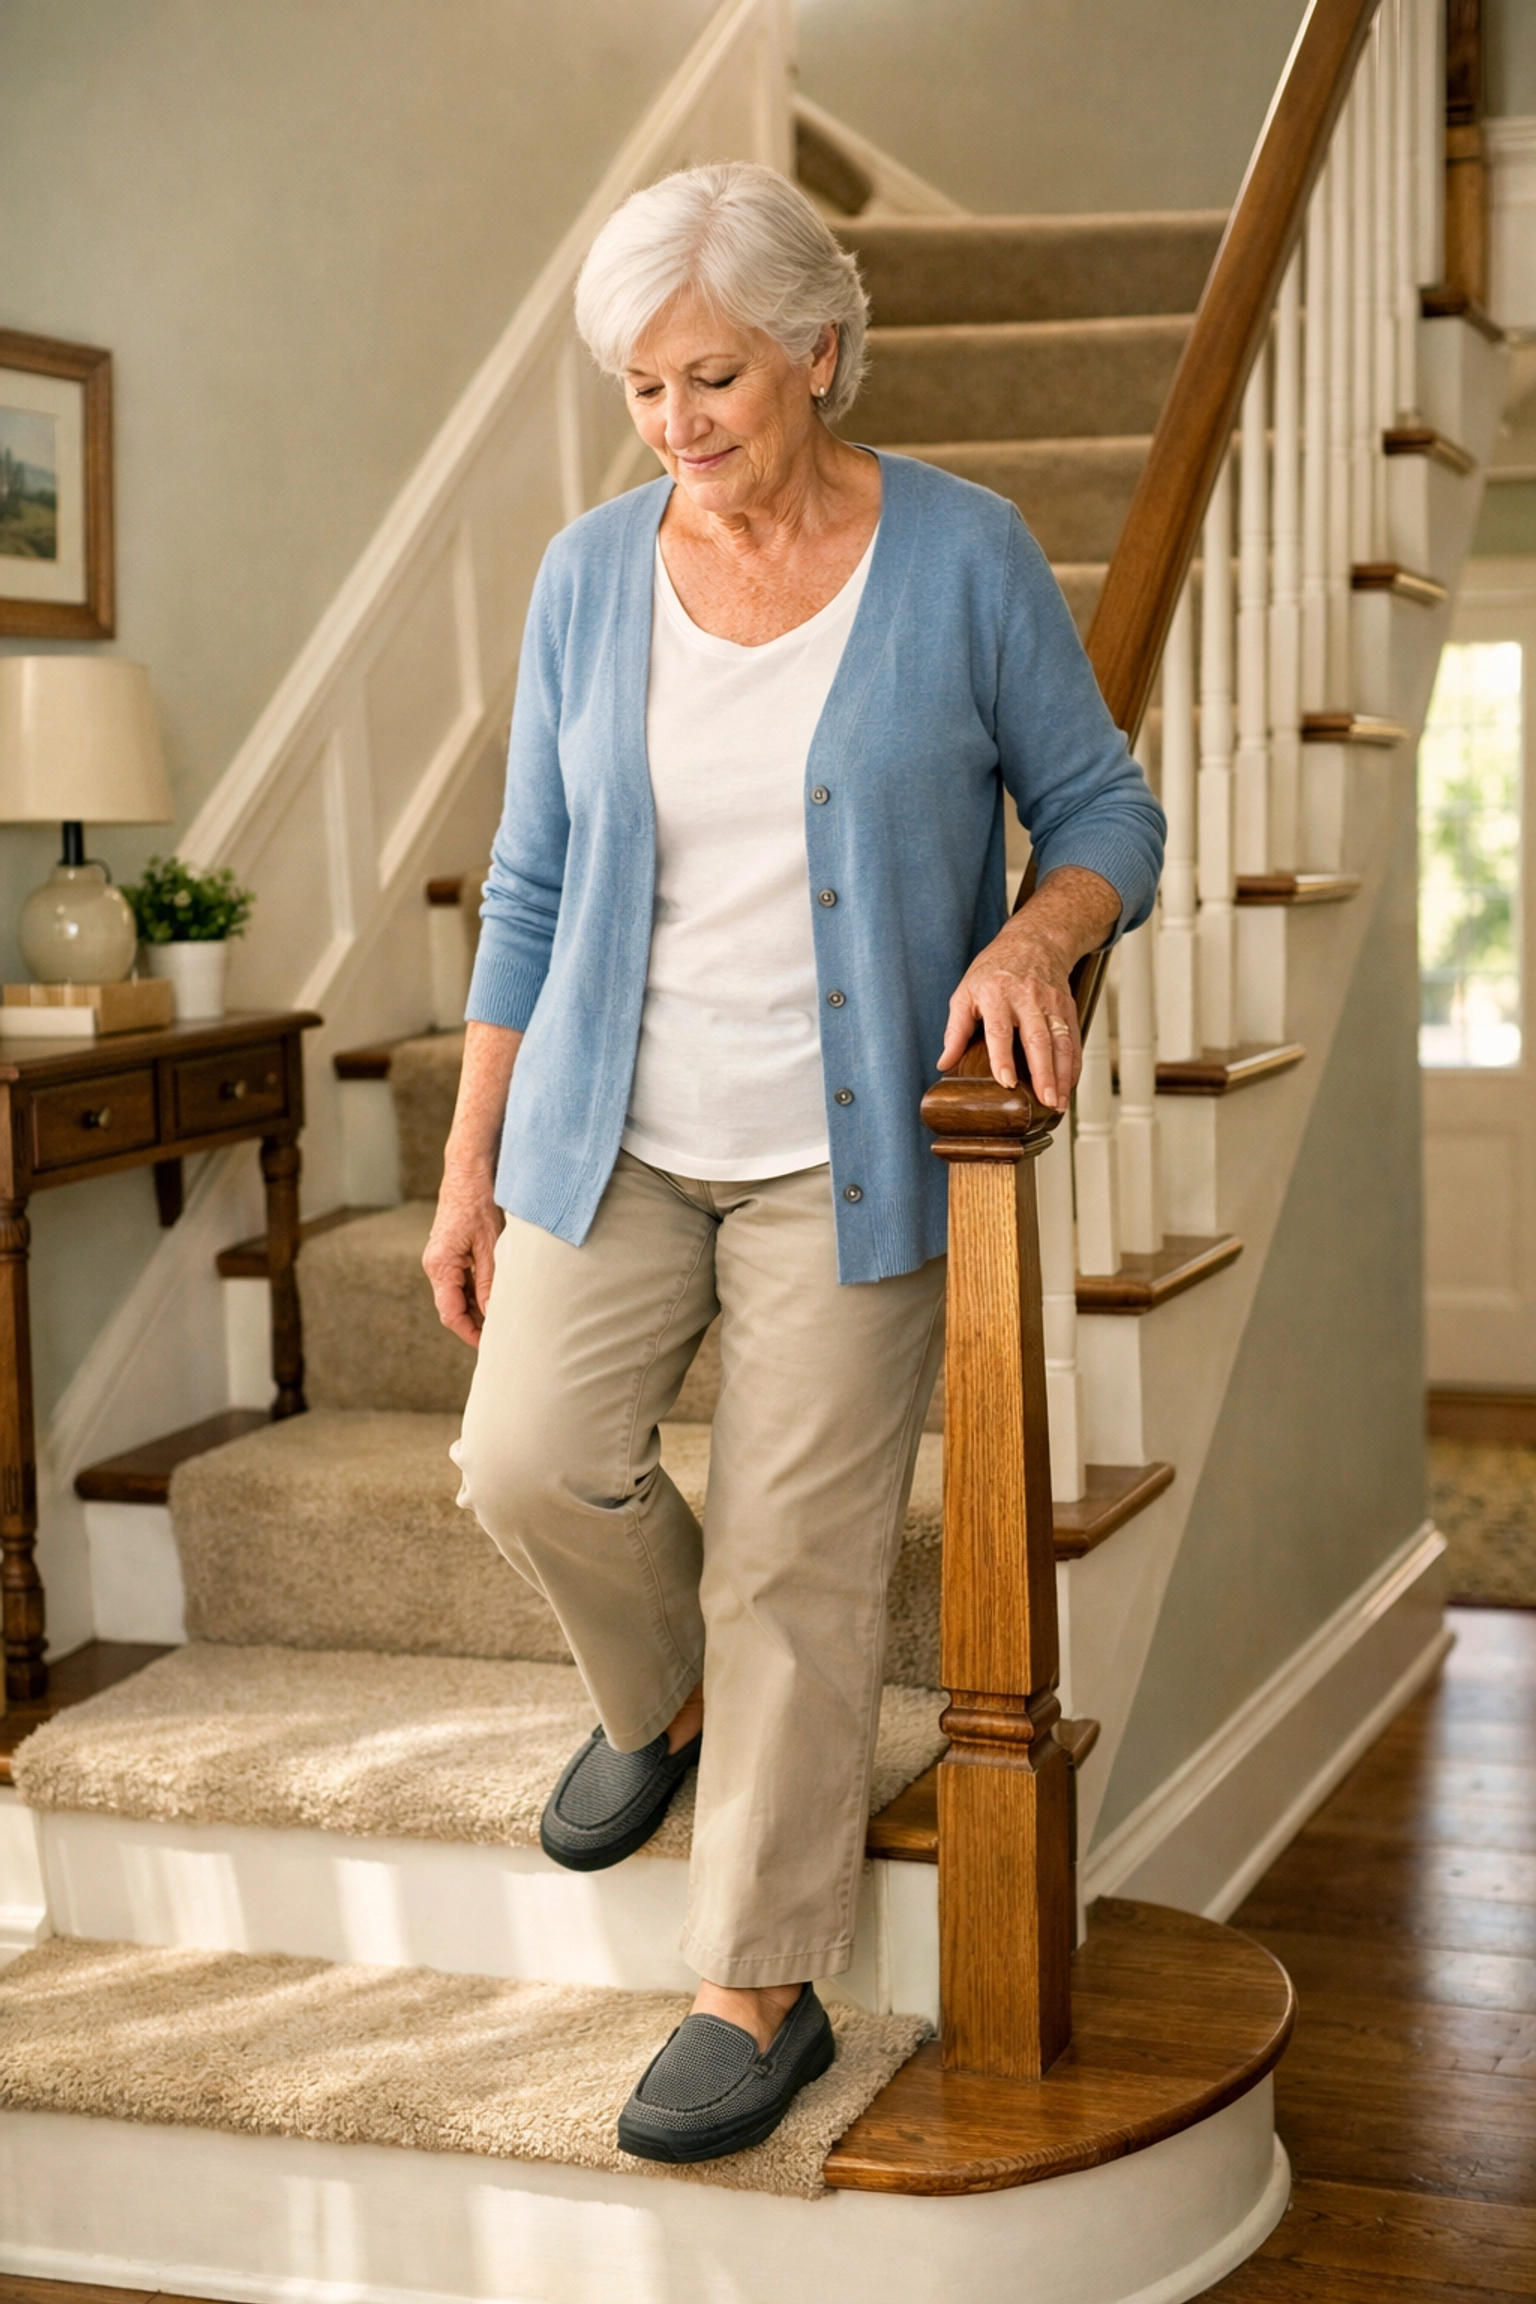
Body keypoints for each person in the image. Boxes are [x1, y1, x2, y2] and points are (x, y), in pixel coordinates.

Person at [426, 160, 1164, 2163]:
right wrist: (472, 1160)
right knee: (523, 1461)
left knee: (796, 1558)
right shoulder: (591, 574)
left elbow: (1105, 809)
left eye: (716, 379)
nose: (677, 426)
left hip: (848, 1159)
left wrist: (1037, 935)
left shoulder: (965, 551)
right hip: (613, 1124)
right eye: (644, 388)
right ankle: (662, 1704)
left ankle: (757, 1982)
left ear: (820, 352)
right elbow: (531, 880)